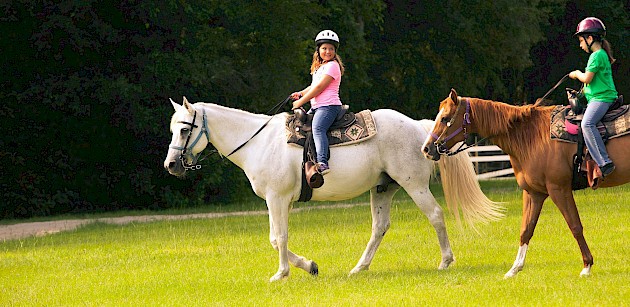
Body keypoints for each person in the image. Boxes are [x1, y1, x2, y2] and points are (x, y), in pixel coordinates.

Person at [568, 17, 618, 177]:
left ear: (590, 38)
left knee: (587, 124)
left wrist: (576, 74)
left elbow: (587, 78)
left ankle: (604, 162)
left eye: (581, 41)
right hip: (597, 97)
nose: (580, 45)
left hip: (602, 98)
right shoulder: (600, 55)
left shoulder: (596, 56)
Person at [291, 30, 345, 175]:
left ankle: (322, 162)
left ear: (335, 51)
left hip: (329, 106)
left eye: (331, 49)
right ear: (318, 50)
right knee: (300, 125)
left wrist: (301, 101)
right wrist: (301, 93)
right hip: (317, 107)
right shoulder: (319, 67)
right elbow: (314, 86)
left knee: (318, 128)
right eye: (324, 48)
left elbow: (320, 88)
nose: (328, 51)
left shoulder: (333, 66)